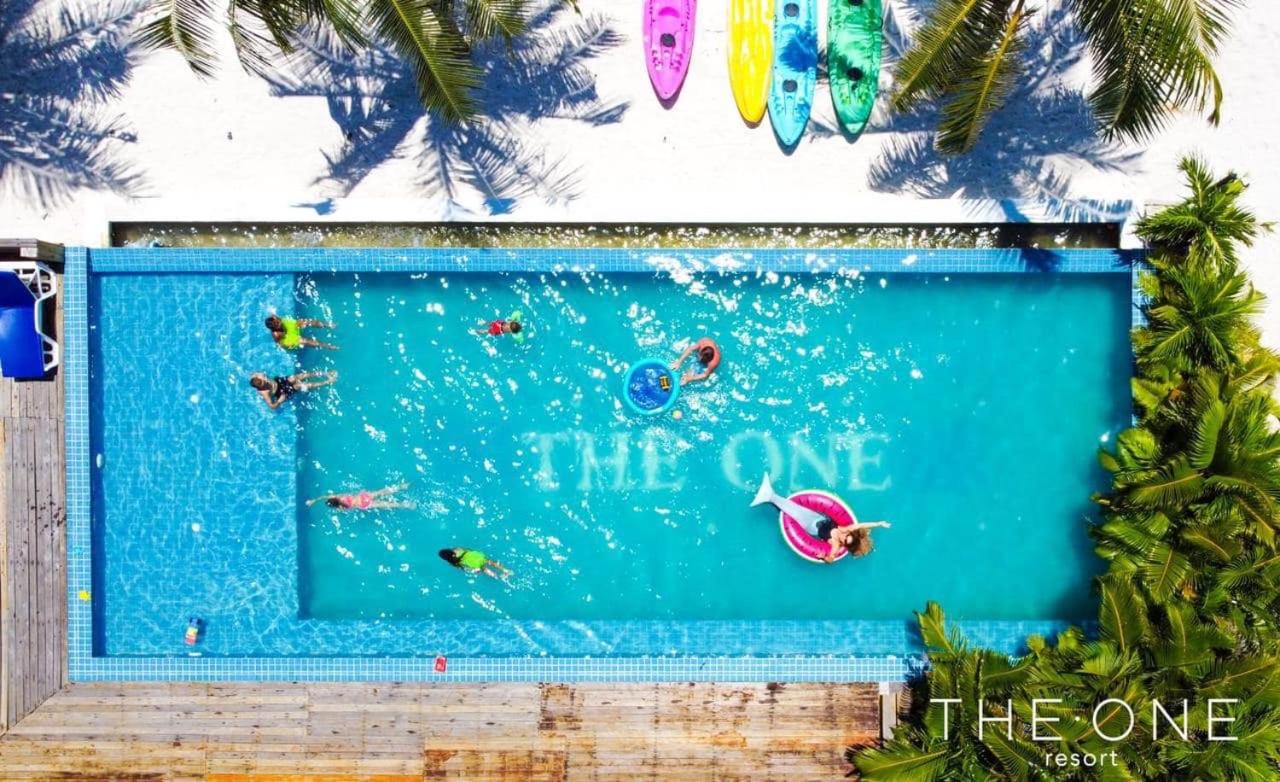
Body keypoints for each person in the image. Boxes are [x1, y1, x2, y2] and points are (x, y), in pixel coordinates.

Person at [249, 370, 337, 409]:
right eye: (264, 385)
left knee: (296, 377)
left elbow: (252, 374)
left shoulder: (259, 376)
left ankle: (325, 373)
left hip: (279, 381)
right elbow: (272, 407)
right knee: (300, 385)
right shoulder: (265, 393)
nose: (266, 382)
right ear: (260, 388)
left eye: (264, 381)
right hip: (281, 392)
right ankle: (327, 382)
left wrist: (262, 376)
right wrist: (279, 401)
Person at [307, 482, 415, 510]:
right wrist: (313, 501)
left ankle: (406, 505)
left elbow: (351, 508)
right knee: (383, 491)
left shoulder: (341, 507)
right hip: (363, 496)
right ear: (333, 498)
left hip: (364, 504)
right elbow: (324, 497)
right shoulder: (339, 496)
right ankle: (403, 486)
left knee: (387, 504)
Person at [822, 520, 891, 564]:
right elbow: (862, 525)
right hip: (824, 519)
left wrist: (823, 557)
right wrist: (878, 524)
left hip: (817, 530)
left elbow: (831, 559)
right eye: (847, 536)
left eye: (845, 540)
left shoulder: (836, 545)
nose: (844, 536)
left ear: (845, 544)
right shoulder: (846, 530)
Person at [265, 315, 338, 351]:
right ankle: (327, 346)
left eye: (278, 320)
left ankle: (327, 325)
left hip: (289, 329)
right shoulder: (276, 334)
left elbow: (273, 314)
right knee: (303, 341)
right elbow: (281, 342)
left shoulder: (275, 318)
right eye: (277, 323)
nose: (279, 322)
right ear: (274, 327)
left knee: (303, 322)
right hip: (286, 339)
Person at [438, 547, 511, 579]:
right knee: (489, 561)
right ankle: (505, 570)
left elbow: (462, 567)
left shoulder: (452, 562)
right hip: (476, 556)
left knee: (483, 569)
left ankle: (496, 576)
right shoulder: (457, 549)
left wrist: (473, 571)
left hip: (472, 563)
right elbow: (469, 549)